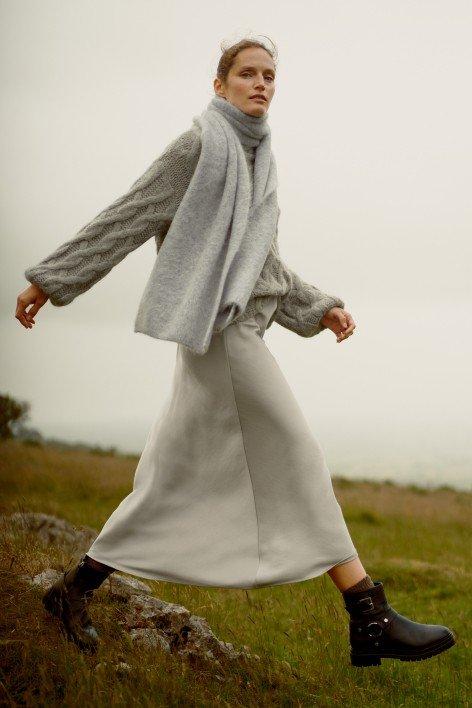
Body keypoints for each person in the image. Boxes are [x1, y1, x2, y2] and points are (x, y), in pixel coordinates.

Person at [16, 37, 456, 666]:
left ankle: (74, 589)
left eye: (270, 75)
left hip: (235, 333)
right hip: (220, 336)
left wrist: (315, 306)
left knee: (170, 478)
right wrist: (50, 281)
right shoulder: (199, 146)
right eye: (247, 74)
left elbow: (260, 263)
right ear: (219, 84)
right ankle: (369, 613)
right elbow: (129, 215)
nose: (261, 84)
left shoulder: (259, 155)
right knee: (298, 454)